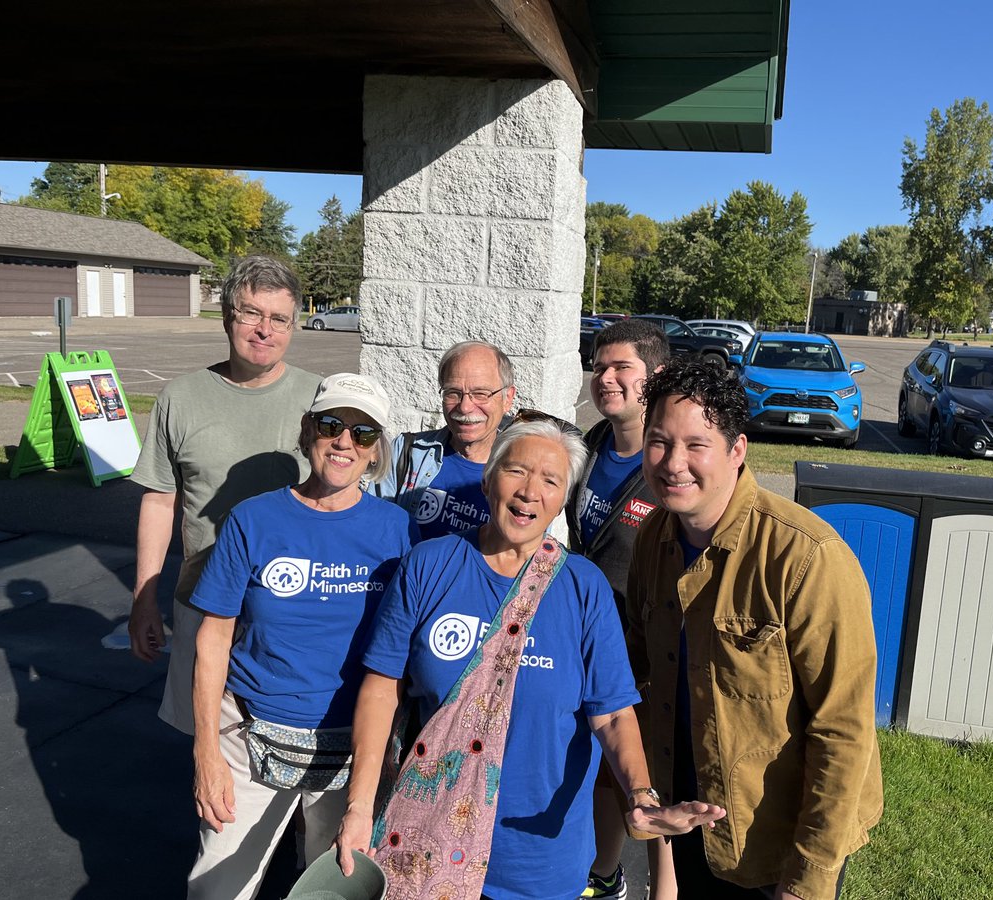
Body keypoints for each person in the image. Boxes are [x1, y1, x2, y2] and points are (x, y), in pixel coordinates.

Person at [335, 414, 726, 900]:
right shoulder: (430, 565)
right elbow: (380, 690)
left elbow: (613, 714)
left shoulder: (583, 587)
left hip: (538, 858)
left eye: (550, 480)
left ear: (563, 499)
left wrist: (641, 796)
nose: (529, 492)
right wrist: (358, 806)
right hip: (422, 840)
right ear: (488, 476)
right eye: (517, 471)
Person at [627, 358, 884, 900]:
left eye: (696, 444)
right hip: (694, 827)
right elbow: (640, 679)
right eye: (659, 441)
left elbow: (844, 728)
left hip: (779, 848)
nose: (674, 463)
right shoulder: (653, 539)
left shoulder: (806, 557)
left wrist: (808, 878)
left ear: (737, 450)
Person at [187, 373, 417, 899]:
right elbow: (212, 639)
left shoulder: (398, 531)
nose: (344, 442)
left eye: (362, 433)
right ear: (308, 428)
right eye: (332, 424)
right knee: (216, 888)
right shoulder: (253, 519)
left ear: (376, 449)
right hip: (248, 737)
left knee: (329, 888)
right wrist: (206, 753)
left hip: (351, 747)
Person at [128, 255, 321, 735]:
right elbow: (159, 500)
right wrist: (144, 596)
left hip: (296, 606)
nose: (264, 329)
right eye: (251, 313)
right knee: (208, 744)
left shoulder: (321, 400)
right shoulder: (181, 397)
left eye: (278, 318)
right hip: (203, 600)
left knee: (297, 742)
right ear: (227, 317)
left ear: (293, 325)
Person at [566, 319, 671, 900]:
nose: (605, 377)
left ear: (654, 378)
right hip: (589, 641)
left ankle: (645, 883)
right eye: (599, 366)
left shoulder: (670, 465)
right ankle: (603, 872)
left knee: (647, 772)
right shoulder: (591, 446)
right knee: (600, 768)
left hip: (650, 653)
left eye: (620, 367)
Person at [373, 340, 516, 541]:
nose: (465, 407)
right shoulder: (406, 453)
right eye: (453, 393)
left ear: (507, 398)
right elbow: (372, 535)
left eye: (480, 394)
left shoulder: (525, 476)